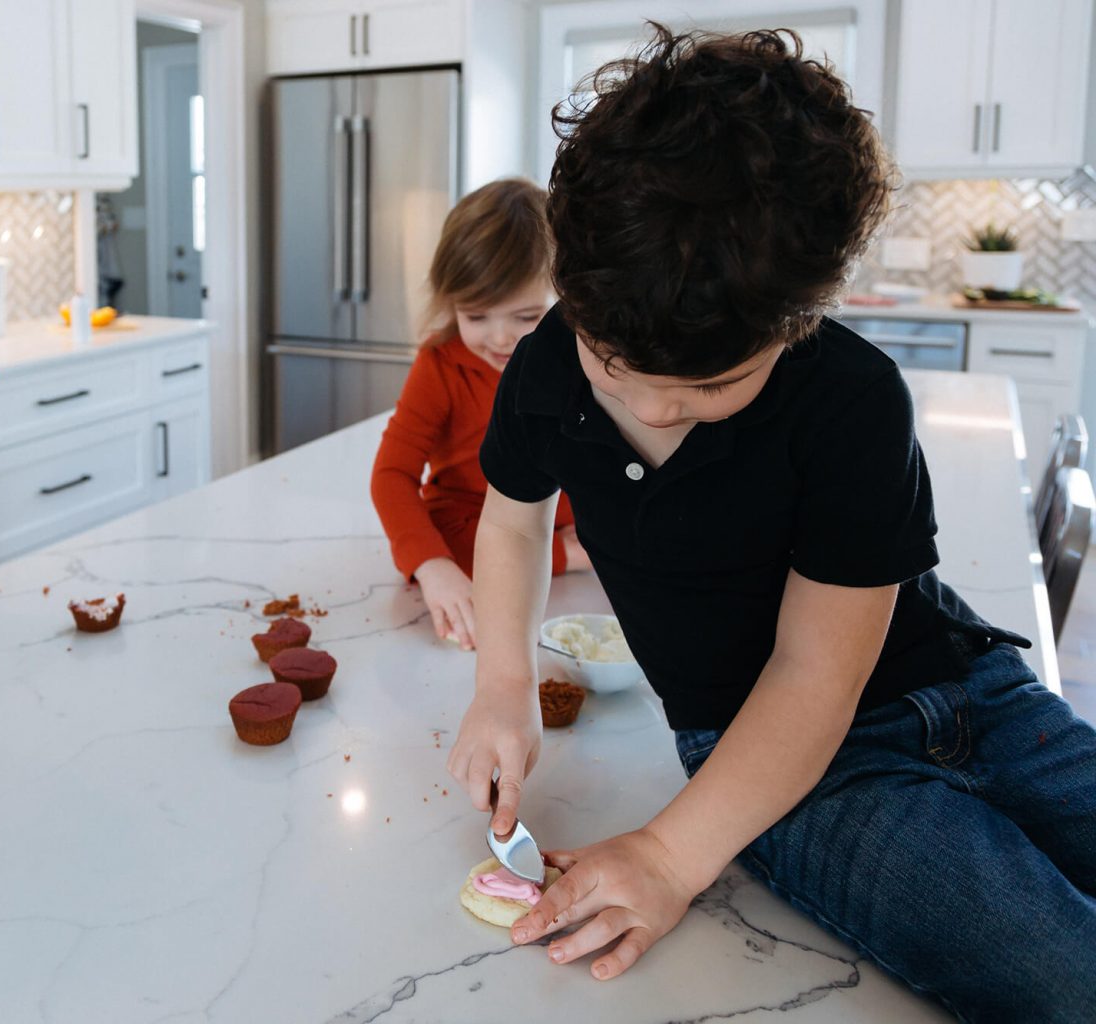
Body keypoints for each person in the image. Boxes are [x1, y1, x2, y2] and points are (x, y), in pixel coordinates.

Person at [447, 24, 1096, 1022]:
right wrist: (503, 684)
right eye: (613, 364)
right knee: (1066, 975)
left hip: (969, 689)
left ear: (798, 325)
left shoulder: (851, 401)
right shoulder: (544, 365)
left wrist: (668, 855)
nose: (654, 406)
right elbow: (512, 523)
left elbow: (815, 673)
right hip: (786, 768)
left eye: (711, 385)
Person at [371, 179, 588, 650]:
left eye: (526, 317)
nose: (500, 338)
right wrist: (434, 569)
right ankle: (569, 556)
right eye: (476, 317)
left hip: (566, 515)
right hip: (472, 518)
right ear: (450, 303)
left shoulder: (580, 358)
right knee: (449, 538)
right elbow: (391, 475)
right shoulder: (439, 365)